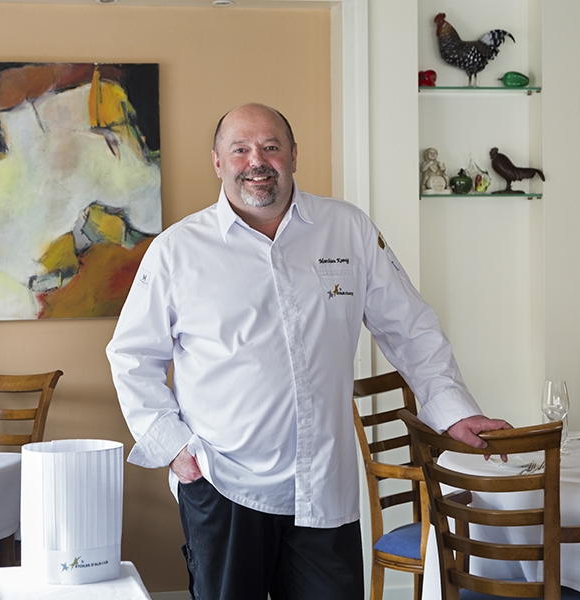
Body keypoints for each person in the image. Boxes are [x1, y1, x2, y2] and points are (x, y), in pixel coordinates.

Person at [106, 103, 509, 600]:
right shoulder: (177, 250)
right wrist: (174, 449)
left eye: (271, 147)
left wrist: (453, 411)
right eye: (240, 149)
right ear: (217, 161)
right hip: (223, 483)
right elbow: (132, 357)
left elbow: (411, 328)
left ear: (294, 155)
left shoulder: (347, 229)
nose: (257, 161)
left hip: (323, 487)